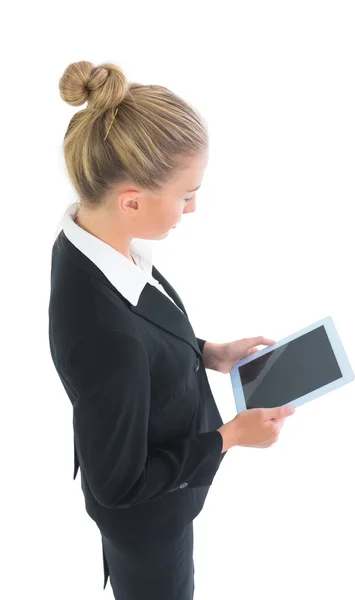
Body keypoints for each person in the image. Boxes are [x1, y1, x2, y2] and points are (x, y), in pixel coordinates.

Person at [48, 60, 296, 600]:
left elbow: (147, 328)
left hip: (161, 456)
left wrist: (209, 352)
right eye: (186, 195)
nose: (193, 206)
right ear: (132, 200)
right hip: (149, 522)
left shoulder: (97, 238)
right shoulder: (103, 333)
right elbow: (121, 487)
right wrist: (230, 437)